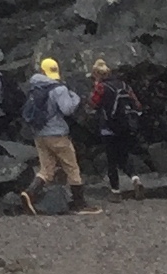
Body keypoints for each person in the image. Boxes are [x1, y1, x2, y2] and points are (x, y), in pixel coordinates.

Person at [25, 58, 85, 200]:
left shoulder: (34, 87)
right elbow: (67, 109)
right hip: (57, 134)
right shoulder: (59, 89)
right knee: (72, 167)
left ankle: (29, 193)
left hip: (39, 134)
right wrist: (75, 97)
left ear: (42, 71)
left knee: (46, 169)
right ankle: (79, 202)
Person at [87, 59, 148, 188]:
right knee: (124, 155)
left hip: (108, 128)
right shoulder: (124, 85)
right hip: (125, 126)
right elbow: (137, 104)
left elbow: (93, 103)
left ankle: (115, 191)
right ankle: (135, 179)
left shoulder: (101, 87)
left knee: (111, 160)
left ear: (96, 74)